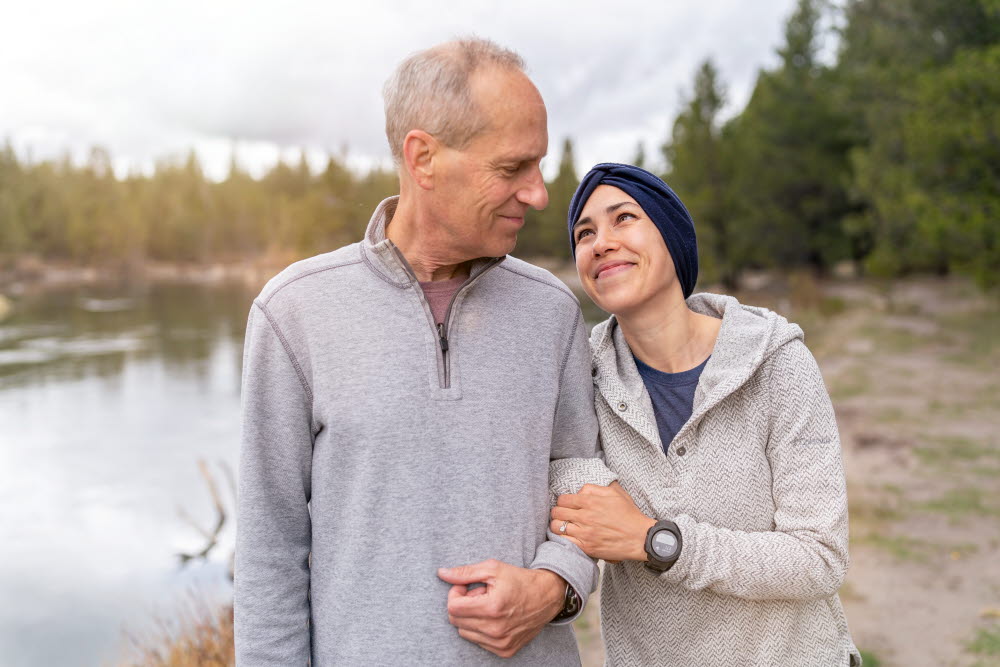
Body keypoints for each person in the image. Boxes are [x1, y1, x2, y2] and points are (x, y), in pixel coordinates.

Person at [234, 40, 614, 665]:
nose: (539, 194)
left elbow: (584, 489)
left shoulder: (551, 311)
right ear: (424, 157)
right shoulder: (293, 313)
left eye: (539, 166)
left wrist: (554, 588)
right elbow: (268, 552)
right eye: (512, 168)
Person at [549, 163, 862, 666]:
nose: (600, 242)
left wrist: (654, 541)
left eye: (623, 218)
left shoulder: (776, 362)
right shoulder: (580, 381)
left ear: (672, 239)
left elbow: (818, 559)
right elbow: (566, 496)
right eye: (584, 233)